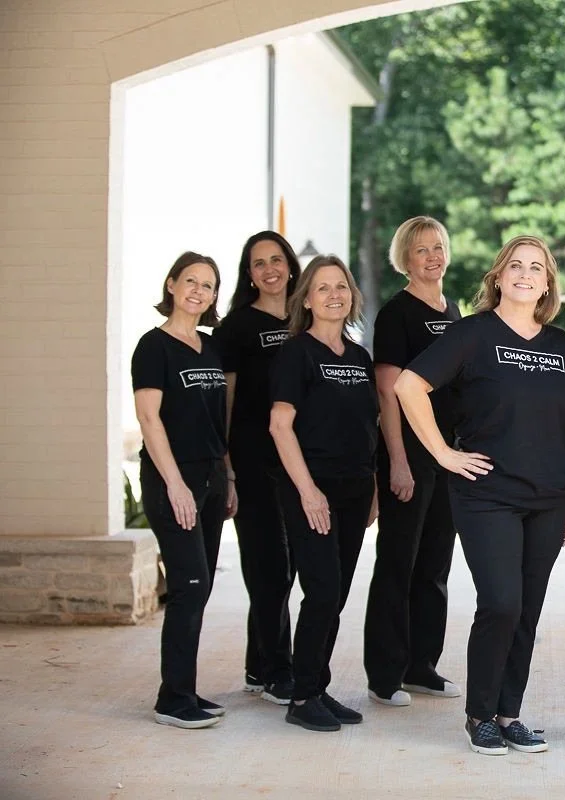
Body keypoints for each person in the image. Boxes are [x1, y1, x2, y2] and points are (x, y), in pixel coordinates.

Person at [396, 235, 565, 756]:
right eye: (516, 266)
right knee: (501, 602)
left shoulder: (559, 344)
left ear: (547, 284)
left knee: (527, 609)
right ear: (498, 277)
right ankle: (480, 714)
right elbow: (408, 386)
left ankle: (509, 714)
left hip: (550, 495)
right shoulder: (472, 333)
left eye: (536, 268)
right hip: (488, 494)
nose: (525, 274)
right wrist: (442, 453)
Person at [268, 255, 379, 732]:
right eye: (323, 288)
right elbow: (280, 426)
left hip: (355, 489)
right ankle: (301, 696)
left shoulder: (359, 357)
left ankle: (316, 686)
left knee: (336, 595)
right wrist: (309, 491)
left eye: (342, 287)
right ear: (308, 300)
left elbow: (368, 426)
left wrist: (373, 487)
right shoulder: (296, 353)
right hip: (311, 489)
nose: (335, 295)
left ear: (352, 296)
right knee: (322, 590)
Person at [132, 251, 234, 729]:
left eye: (208, 285)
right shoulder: (154, 347)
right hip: (173, 478)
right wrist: (175, 484)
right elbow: (148, 418)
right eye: (190, 281)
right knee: (189, 585)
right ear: (171, 285)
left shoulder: (210, 347)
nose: (198, 291)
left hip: (211, 476)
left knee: (201, 584)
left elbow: (219, 421)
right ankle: (172, 700)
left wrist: (227, 476)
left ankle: (184, 688)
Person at [364, 217, 463, 708]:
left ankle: (421, 665)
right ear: (405, 259)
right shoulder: (395, 314)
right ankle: (385, 674)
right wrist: (398, 462)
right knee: (398, 563)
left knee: (435, 564)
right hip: (409, 454)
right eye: (421, 249)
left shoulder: (454, 310)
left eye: (438, 247)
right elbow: (388, 393)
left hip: (448, 455)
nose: (432, 257)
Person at [213, 231, 301, 705]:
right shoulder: (236, 327)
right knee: (269, 565)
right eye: (259, 263)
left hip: (298, 458)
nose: (269, 269)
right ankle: (277, 671)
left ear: (290, 265)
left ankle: (257, 663)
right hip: (252, 458)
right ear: (249, 275)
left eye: (276, 259)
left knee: (288, 568)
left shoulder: (306, 318)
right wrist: (227, 465)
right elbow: (225, 401)